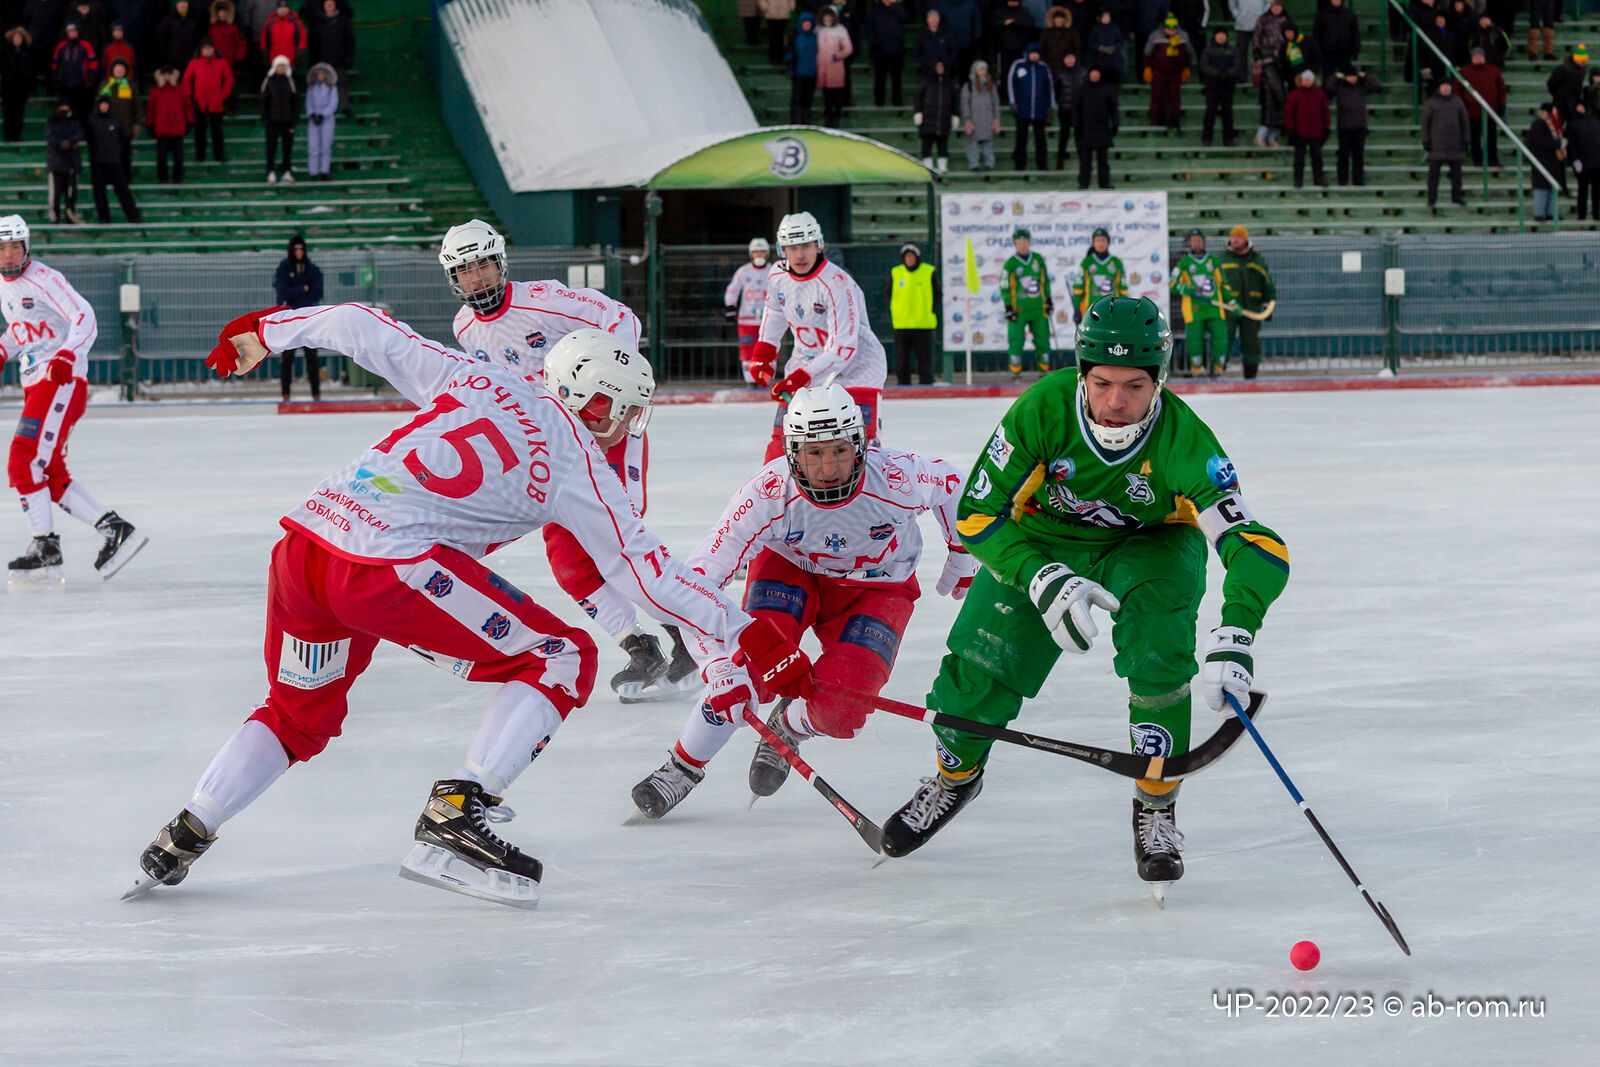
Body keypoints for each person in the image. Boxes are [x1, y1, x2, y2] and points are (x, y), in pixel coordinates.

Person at [122, 309, 812, 908]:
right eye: (628, 411)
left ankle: (189, 827)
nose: (629, 426)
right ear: (598, 405)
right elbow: (646, 571)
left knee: (296, 713)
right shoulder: (578, 461)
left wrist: (266, 332)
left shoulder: (479, 376)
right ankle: (459, 809)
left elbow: (363, 328)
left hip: (305, 546)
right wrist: (750, 635)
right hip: (385, 566)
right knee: (562, 656)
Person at [876, 296, 1290, 905]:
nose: (1116, 402)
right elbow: (977, 513)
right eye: (1102, 384)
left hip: (1150, 544)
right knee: (980, 666)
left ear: (1159, 380)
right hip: (1043, 538)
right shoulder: (1042, 409)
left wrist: (1238, 633)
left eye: (1134, 386)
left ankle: (1156, 801)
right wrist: (1039, 575)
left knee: (1159, 656)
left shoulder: (1186, 440)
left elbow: (1255, 545)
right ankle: (955, 777)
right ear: (1081, 374)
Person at [629, 384, 977, 819]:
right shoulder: (767, 492)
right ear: (792, 453)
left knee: (841, 711)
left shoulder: (897, 477)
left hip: (878, 589)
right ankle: (682, 766)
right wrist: (718, 668)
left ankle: (787, 724)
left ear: (860, 445)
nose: (828, 468)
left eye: (839, 451)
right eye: (814, 454)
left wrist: (961, 549)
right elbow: (695, 587)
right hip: (791, 572)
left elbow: (952, 484)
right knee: (746, 671)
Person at [440, 219, 694, 702]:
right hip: (554, 449)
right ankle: (639, 648)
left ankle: (687, 631)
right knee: (567, 562)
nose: (476, 279)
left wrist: (611, 385)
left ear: (500, 263)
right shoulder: (464, 328)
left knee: (616, 545)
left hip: (604, 430)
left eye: (483, 266)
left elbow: (621, 319)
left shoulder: (543, 299)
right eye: (465, 271)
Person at [1, 216, 146, 581]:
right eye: (2, 248)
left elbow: (84, 315)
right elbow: (23, 329)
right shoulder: (5, 286)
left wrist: (67, 355)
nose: (9, 255)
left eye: (15, 246)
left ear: (27, 247)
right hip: (37, 383)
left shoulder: (44, 278)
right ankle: (113, 530)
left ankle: (46, 545)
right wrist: (3, 349)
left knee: (23, 460)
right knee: (49, 472)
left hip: (59, 381)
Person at [749, 211, 888, 464]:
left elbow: (843, 348)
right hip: (805, 365)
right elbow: (775, 311)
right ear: (782, 250)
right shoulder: (777, 275)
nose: (799, 254)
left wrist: (800, 379)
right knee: (783, 443)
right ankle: (774, 491)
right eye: (792, 248)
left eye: (806, 246)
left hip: (857, 371)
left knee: (858, 446)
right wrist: (764, 355)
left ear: (818, 245)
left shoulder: (837, 283)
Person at [1217, 225, 1273, 379]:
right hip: (1227, 309)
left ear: (1245, 240)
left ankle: (1251, 376)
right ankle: (1218, 372)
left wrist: (1269, 305)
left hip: (1251, 309)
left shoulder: (1257, 259)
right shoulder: (1221, 259)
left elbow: (1267, 284)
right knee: (1223, 341)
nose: (1234, 240)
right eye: (1232, 237)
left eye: (1238, 237)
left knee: (1251, 344)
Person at [1171, 229, 1229, 376]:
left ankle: (1218, 370)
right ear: (1189, 244)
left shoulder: (1214, 261)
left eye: (1199, 240)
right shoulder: (1184, 263)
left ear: (1204, 242)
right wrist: (1186, 288)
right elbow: (1172, 284)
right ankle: (1197, 372)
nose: (1197, 243)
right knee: (1195, 344)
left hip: (1215, 308)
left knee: (1221, 342)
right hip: (1194, 310)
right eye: (1193, 241)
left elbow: (1223, 285)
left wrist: (1232, 301)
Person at [272, 235, 323, 399]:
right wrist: (303, 289)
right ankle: (285, 394)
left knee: (312, 357)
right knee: (287, 358)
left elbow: (317, 292)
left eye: (301, 248)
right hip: (289, 319)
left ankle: (316, 394)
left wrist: (296, 294)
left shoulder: (312, 269)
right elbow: (282, 292)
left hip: (308, 319)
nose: (299, 252)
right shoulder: (284, 269)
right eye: (295, 249)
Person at [1002, 227, 1053, 378]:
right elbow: (1004, 287)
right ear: (1015, 244)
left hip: (1038, 309)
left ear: (1029, 242)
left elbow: (1045, 282)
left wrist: (1049, 300)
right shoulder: (1010, 264)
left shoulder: (1038, 259)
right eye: (1019, 242)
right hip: (1018, 310)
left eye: (1025, 241)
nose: (1022, 245)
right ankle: (1015, 373)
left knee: (1043, 340)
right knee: (1016, 341)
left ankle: (1043, 371)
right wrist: (1008, 307)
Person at [887, 242, 939, 385]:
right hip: (902, 324)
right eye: (907, 257)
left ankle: (926, 386)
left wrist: (930, 310)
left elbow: (937, 294)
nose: (910, 259)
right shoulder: (896, 273)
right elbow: (888, 295)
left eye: (912, 256)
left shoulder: (928, 271)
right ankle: (903, 386)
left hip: (923, 324)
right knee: (902, 360)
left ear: (917, 257)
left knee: (925, 360)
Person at [724, 237, 771, 388]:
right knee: (747, 349)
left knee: (768, 348)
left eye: (762, 252)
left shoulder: (773, 271)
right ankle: (750, 380)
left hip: (768, 319)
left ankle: (765, 378)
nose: (759, 255)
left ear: (767, 253)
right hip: (746, 319)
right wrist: (730, 307)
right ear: (751, 254)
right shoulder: (743, 272)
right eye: (756, 252)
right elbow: (732, 290)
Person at [86, 94, 138, 222]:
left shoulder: (116, 120)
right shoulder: (92, 121)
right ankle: (104, 218)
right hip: (98, 162)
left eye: (106, 104)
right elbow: (89, 139)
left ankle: (134, 217)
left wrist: (117, 153)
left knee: (123, 191)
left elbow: (123, 138)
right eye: (102, 104)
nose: (104, 106)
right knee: (99, 193)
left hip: (114, 162)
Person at [182, 37, 232, 162]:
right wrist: (190, 96)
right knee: (199, 131)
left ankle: (219, 155)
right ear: (201, 50)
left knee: (217, 131)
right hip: (199, 102)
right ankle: (200, 155)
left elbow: (229, 80)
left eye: (210, 47)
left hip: (216, 102)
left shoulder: (221, 62)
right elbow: (186, 80)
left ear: (214, 49)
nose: (207, 50)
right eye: (205, 48)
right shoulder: (194, 63)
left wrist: (223, 96)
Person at [1421, 79, 1469, 208]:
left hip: (1455, 144)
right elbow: (1425, 124)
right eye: (1443, 85)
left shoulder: (1458, 102)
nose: (1446, 88)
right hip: (1436, 145)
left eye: (1448, 86)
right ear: (1439, 87)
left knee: (1457, 175)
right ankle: (1431, 199)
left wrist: (1466, 139)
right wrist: (1425, 140)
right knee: (1433, 175)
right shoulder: (1431, 103)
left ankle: (1457, 197)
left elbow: (1464, 122)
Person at [1455, 48, 1505, 168]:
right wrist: (1462, 108)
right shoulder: (1464, 71)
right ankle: (1477, 160)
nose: (1478, 58)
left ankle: (1493, 160)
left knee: (1492, 138)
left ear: (1484, 57)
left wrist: (1501, 105)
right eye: (1475, 56)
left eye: (1480, 56)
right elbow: (1458, 91)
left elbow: (1501, 89)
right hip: (1472, 112)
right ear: (1472, 58)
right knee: (1475, 138)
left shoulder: (1494, 70)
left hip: (1490, 111)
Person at [1008, 41, 1053, 169]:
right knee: (1021, 138)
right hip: (1023, 110)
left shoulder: (1043, 68)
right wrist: (1013, 102)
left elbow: (1049, 88)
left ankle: (1042, 165)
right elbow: (1011, 83)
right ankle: (1020, 165)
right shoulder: (1018, 65)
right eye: (1032, 53)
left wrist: (1050, 107)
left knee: (1041, 139)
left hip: (1039, 110)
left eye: (1037, 53)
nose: (1035, 56)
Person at [1330, 65, 1378, 186]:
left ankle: (1358, 180)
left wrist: (1365, 75)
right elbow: (1328, 86)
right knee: (1343, 155)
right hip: (1344, 127)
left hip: (1360, 126)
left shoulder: (1362, 87)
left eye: (1354, 76)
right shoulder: (1340, 87)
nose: (1352, 78)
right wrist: (1336, 77)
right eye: (1349, 76)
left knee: (1358, 156)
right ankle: (1342, 180)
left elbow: (1376, 85)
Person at [1143, 14, 1192, 133]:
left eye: (1173, 29)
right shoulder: (1155, 36)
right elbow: (1147, 53)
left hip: (1176, 73)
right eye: (1168, 29)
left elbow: (1188, 53)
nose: (1171, 31)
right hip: (1159, 73)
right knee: (1156, 97)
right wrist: (1147, 68)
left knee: (1174, 98)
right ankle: (1155, 120)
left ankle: (1174, 120)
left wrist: (1186, 68)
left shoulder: (1183, 36)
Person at [1071, 226, 1126, 327]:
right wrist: (1077, 310)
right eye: (1097, 241)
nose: (1100, 244)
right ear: (1093, 243)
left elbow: (1123, 290)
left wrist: (1123, 310)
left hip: (1112, 311)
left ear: (1108, 242)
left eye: (1103, 240)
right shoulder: (1086, 262)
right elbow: (1078, 290)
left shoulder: (1117, 263)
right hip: (1090, 310)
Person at [1074, 64, 1118, 188]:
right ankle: (1084, 183)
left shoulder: (1107, 89)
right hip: (1085, 130)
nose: (1094, 75)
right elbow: (1076, 109)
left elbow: (1113, 109)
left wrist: (1115, 125)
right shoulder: (1082, 89)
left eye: (1097, 73)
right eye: (1092, 73)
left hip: (1103, 129)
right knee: (1085, 160)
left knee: (1103, 160)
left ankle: (1104, 183)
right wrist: (1077, 125)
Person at [145, 64, 190, 184]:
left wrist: (189, 121)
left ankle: (178, 177)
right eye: (164, 75)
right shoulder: (155, 91)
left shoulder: (181, 89)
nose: (167, 77)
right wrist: (150, 124)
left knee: (178, 156)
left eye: (169, 74)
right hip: (161, 129)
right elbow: (150, 110)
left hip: (177, 129)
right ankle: (162, 178)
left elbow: (187, 107)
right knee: (161, 156)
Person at [1284, 67, 1328, 187]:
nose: (1306, 82)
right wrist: (1291, 129)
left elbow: (1325, 113)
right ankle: (1298, 180)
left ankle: (1318, 179)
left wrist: (1325, 128)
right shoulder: (1294, 94)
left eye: (1308, 80)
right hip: (1299, 132)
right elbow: (1290, 113)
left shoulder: (1319, 94)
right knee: (1299, 158)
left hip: (1315, 132)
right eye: (1304, 79)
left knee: (1317, 158)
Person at [913, 56, 958, 171]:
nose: (940, 68)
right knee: (927, 142)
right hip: (928, 119)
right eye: (938, 66)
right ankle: (927, 165)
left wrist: (955, 114)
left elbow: (955, 101)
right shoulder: (926, 82)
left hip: (944, 119)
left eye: (942, 66)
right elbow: (918, 97)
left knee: (943, 143)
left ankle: (942, 166)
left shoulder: (949, 84)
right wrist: (918, 112)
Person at [96, 55, 136, 182]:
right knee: (109, 155)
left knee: (125, 154)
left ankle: (126, 178)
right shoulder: (105, 85)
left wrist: (136, 124)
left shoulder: (131, 85)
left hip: (125, 125)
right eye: (117, 68)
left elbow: (137, 106)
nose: (119, 70)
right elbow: (98, 104)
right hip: (107, 127)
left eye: (122, 68)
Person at [1526, 102, 1566, 222]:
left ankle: (1550, 212)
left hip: (1551, 161)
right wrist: (1557, 144)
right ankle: (1539, 212)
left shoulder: (1551, 124)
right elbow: (1540, 141)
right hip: (1543, 161)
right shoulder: (1540, 123)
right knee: (1542, 189)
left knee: (1551, 188)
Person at [309, 0, 352, 112]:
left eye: (331, 3)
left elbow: (349, 40)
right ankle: (323, 108)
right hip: (323, 60)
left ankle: (344, 107)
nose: (329, 5)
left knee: (342, 84)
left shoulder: (343, 22)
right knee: (323, 85)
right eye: (327, 3)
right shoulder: (318, 23)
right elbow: (313, 43)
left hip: (339, 59)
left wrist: (348, 57)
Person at [44, 102, 83, 223]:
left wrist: (70, 141)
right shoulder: (52, 121)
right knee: (55, 194)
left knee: (71, 193)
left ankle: (70, 216)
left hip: (71, 163)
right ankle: (54, 217)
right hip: (56, 163)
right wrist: (61, 143)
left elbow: (79, 134)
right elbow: (50, 137)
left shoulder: (74, 120)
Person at [259, 52, 295, 182]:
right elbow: (263, 102)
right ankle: (271, 172)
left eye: (284, 66)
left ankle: (287, 172)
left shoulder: (291, 82)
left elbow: (295, 102)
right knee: (271, 148)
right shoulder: (268, 82)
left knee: (287, 148)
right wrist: (266, 120)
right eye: (279, 66)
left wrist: (293, 121)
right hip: (272, 122)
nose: (282, 68)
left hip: (287, 121)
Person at [864, 0, 907, 107]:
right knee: (879, 78)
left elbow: (905, 18)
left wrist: (894, 5)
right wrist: (874, 43)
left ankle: (897, 100)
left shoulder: (898, 8)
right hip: (880, 51)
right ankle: (879, 100)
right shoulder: (875, 9)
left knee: (896, 78)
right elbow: (869, 29)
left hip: (896, 50)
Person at [961, 57, 1001, 170]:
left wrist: (996, 118)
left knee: (988, 143)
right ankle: (974, 164)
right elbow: (965, 103)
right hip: (974, 119)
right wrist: (967, 120)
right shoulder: (968, 86)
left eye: (985, 69)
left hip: (988, 119)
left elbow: (995, 102)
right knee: (972, 144)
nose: (983, 72)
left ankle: (989, 163)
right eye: (981, 69)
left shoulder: (990, 85)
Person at [1201, 28, 1239, 146]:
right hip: (1213, 85)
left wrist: (1228, 74)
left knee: (1227, 113)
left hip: (1228, 85)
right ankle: (1207, 138)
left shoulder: (1232, 50)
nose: (1221, 37)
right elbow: (1204, 66)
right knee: (1210, 112)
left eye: (1223, 35)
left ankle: (1229, 139)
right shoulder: (1208, 50)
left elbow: (1237, 65)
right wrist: (1217, 73)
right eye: (1219, 34)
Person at [992, 0, 1036, 102]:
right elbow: (993, 25)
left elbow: (1030, 25)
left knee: (1021, 73)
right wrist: (1004, 23)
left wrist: (1016, 23)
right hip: (1004, 49)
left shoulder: (1024, 12)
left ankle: (1020, 96)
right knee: (1004, 74)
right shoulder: (1000, 12)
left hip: (1019, 49)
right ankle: (1004, 97)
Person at [51, 20, 96, 120]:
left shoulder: (86, 45)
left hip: (81, 86)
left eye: (74, 31)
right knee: (64, 112)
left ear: (78, 31)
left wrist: (91, 80)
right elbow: (54, 64)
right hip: (65, 85)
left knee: (82, 112)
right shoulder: (61, 46)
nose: (72, 33)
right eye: (70, 31)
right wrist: (55, 79)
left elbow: (93, 63)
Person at [207, 0, 247, 114]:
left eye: (224, 12)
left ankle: (233, 108)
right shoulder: (211, 29)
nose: (222, 15)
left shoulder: (234, 28)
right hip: (215, 63)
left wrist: (239, 59)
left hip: (231, 62)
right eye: (220, 12)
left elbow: (241, 44)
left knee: (232, 86)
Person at [816, 5, 852, 127]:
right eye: (826, 16)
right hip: (822, 67)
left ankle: (836, 117)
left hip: (836, 67)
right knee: (826, 93)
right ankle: (828, 117)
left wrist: (837, 56)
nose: (828, 18)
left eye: (830, 16)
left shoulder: (840, 29)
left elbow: (848, 48)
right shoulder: (818, 30)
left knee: (836, 93)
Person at [1, 26, 37, 142]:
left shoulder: (28, 52)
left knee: (19, 113)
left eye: (19, 37)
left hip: (21, 88)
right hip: (8, 87)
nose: (17, 39)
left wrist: (24, 78)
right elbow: (4, 69)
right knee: (8, 112)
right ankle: (8, 135)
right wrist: (10, 76)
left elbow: (30, 69)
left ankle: (17, 135)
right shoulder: (5, 52)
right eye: (15, 37)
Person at [1567, 99, 1600, 219]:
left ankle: (1596, 214)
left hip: (1596, 162)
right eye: (1578, 106)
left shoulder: (1594, 121)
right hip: (1583, 163)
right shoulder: (1572, 124)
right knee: (1583, 190)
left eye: (1582, 106)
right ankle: (1582, 215)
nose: (1581, 108)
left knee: (1597, 190)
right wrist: (1575, 159)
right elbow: (1571, 144)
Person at [1052, 50, 1085, 168]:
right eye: (1067, 58)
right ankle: (1060, 162)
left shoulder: (1082, 72)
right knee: (1064, 135)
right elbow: (1056, 91)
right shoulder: (1059, 73)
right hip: (1065, 110)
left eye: (1072, 58)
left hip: (1079, 110)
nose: (1070, 60)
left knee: (1079, 136)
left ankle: (1083, 162)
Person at [1311, 0, 1359, 82]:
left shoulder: (1350, 15)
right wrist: (1317, 52)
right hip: (1327, 53)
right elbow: (1317, 35)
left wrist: (1355, 51)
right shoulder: (1322, 15)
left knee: (1345, 78)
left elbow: (1355, 34)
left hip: (1345, 53)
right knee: (1328, 78)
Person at [303, 60, 335, 180]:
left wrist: (323, 115)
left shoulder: (331, 88)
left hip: (327, 119)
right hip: (314, 120)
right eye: (319, 73)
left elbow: (333, 103)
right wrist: (312, 114)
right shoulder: (312, 87)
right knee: (313, 147)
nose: (321, 76)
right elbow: (308, 101)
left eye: (323, 73)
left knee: (326, 146)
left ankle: (324, 171)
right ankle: (313, 172)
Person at [787, 11, 818, 124]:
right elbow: (790, 55)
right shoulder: (795, 38)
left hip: (811, 73)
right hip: (798, 73)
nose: (806, 25)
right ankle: (794, 119)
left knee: (808, 98)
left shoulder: (815, 39)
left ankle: (806, 118)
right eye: (804, 22)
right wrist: (791, 70)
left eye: (809, 23)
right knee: (796, 97)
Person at [155, 0, 204, 72]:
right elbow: (162, 38)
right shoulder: (168, 19)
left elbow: (200, 35)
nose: (183, 5)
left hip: (191, 57)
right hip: (174, 58)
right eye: (180, 2)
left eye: (185, 2)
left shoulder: (195, 18)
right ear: (176, 5)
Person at [258, 0, 305, 68]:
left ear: (288, 9)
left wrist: (298, 55)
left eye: (285, 7)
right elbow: (264, 41)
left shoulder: (296, 23)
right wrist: (265, 54)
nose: (283, 10)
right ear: (277, 9)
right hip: (273, 60)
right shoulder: (270, 23)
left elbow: (302, 41)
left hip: (291, 61)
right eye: (280, 7)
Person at [1547, 44, 1587, 121]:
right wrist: (1557, 96)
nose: (1584, 63)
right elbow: (1551, 83)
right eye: (1583, 61)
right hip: (1561, 103)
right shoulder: (1563, 69)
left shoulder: (1581, 71)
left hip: (1573, 103)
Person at [912, 8, 955, 79]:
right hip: (927, 71)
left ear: (939, 19)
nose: (934, 20)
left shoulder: (946, 34)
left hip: (944, 70)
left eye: (936, 18)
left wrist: (946, 62)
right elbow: (916, 53)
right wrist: (926, 63)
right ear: (927, 20)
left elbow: (953, 50)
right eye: (932, 18)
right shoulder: (921, 36)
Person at [1087, 10, 1127, 84]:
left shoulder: (1115, 28)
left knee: (1113, 82)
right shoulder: (1095, 29)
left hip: (1113, 61)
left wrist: (1113, 48)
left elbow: (1120, 42)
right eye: (1104, 17)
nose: (1106, 19)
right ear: (1100, 18)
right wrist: (1100, 48)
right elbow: (1091, 43)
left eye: (1108, 17)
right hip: (1100, 61)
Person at [1041, 5, 1079, 72]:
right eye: (1057, 18)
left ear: (1065, 19)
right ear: (1053, 19)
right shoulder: (1046, 33)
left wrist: (1071, 60)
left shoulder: (1071, 33)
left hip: (1066, 66)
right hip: (1049, 65)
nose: (1059, 20)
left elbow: (1077, 48)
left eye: (1061, 18)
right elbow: (1041, 48)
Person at [760, 0, 793, 66]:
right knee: (772, 37)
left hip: (784, 14)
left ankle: (780, 58)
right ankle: (773, 58)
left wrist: (790, 7)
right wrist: (766, 7)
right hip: (771, 15)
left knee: (781, 38)